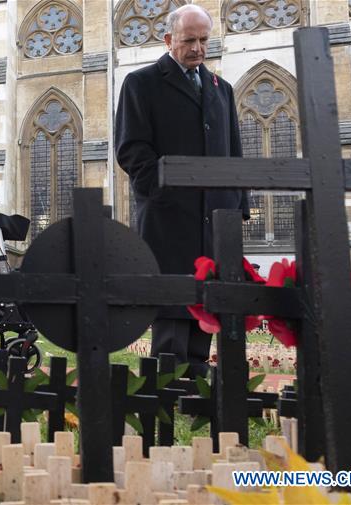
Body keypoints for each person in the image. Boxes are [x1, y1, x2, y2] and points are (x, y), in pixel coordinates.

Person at [114, 4, 249, 378]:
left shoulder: (223, 90)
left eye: (204, 40)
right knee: (173, 305)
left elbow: (234, 151)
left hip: (216, 216)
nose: (198, 48)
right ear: (168, 39)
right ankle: (166, 380)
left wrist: (239, 208)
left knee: (206, 301)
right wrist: (161, 192)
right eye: (189, 40)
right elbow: (132, 150)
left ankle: (196, 376)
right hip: (169, 214)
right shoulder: (141, 83)